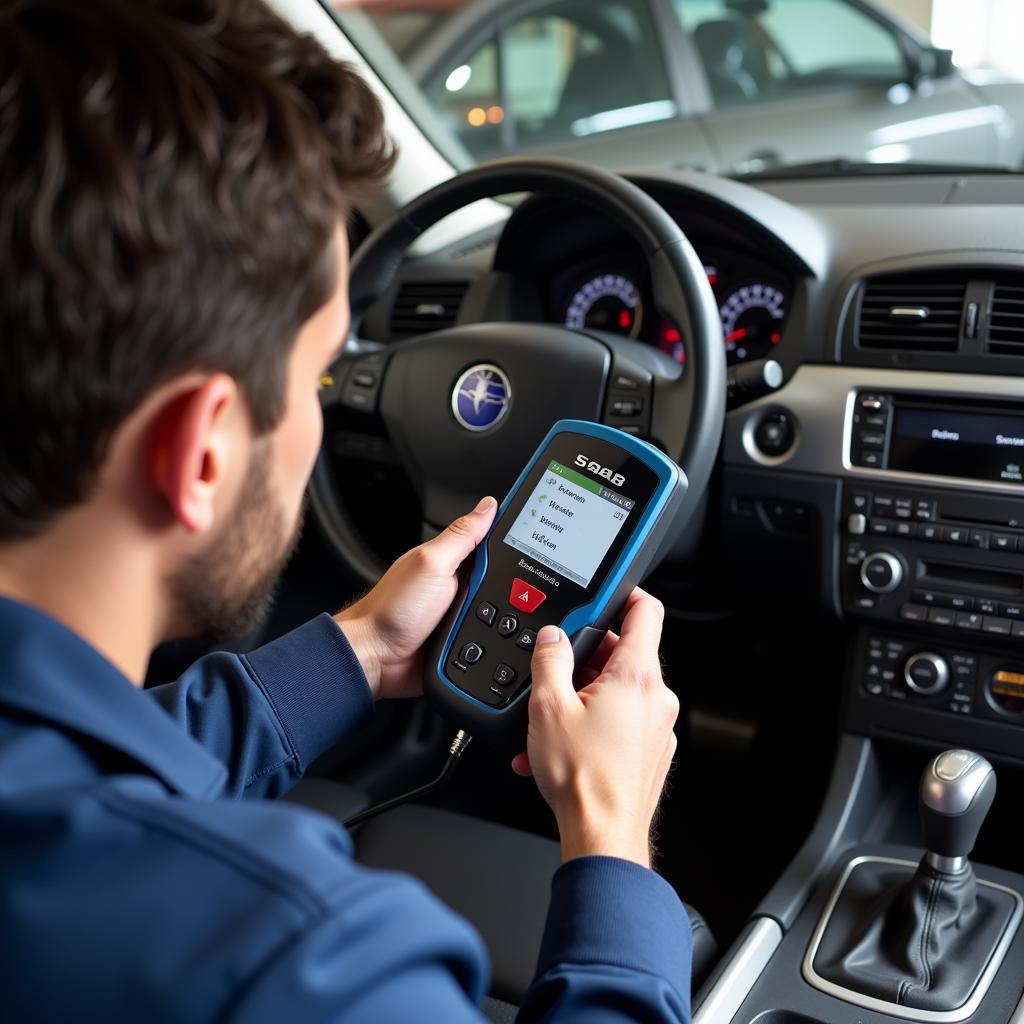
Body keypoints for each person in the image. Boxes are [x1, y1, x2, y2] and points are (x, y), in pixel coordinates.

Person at [0, 0, 691, 1020]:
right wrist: (611, 833)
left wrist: (360, 649)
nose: (323, 416)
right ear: (200, 451)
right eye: (322, 377)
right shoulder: (301, 959)